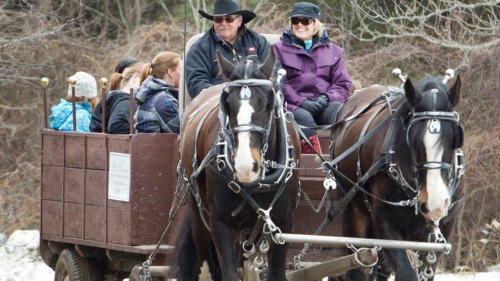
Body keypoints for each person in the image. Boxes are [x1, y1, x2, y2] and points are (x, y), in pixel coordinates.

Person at [274, 2, 352, 154]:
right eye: (295, 21)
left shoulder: (333, 51)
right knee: (304, 119)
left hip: (323, 104)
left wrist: (325, 98)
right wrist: (301, 102)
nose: (300, 25)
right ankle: (311, 164)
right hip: (292, 105)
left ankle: (341, 157)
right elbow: (279, 83)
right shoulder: (277, 49)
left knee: (338, 112)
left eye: (306, 21)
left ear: (315, 23)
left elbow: (342, 84)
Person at [185, 0, 277, 98]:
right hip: (220, 104)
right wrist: (225, 96)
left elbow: (275, 72)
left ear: (240, 21)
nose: (223, 23)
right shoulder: (200, 48)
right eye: (218, 19)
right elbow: (196, 83)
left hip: (258, 101)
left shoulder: (258, 41)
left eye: (229, 19)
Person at [89, 62, 144, 134]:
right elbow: (116, 125)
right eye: (145, 80)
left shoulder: (112, 97)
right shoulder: (126, 102)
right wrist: (142, 130)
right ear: (135, 78)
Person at [133, 52, 181, 133]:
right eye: (180, 69)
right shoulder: (163, 99)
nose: (183, 74)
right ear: (170, 72)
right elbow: (183, 133)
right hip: (156, 145)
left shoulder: (153, 93)